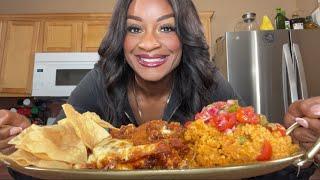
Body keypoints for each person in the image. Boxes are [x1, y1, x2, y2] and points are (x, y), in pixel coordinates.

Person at [0, 0, 317, 179]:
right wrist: (22, 142)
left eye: (167, 27)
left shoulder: (211, 84)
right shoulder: (99, 82)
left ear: (186, 37)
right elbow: (52, 167)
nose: (148, 43)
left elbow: (259, 172)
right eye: (134, 28)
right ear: (120, 39)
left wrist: (301, 147)